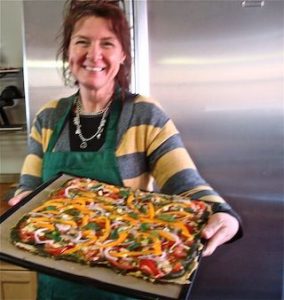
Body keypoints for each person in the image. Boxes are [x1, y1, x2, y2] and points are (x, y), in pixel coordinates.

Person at [8, 0, 242, 299]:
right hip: (57, 282)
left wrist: (224, 212)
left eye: (107, 43)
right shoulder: (48, 117)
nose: (94, 54)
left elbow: (185, 183)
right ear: (69, 52)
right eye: (82, 42)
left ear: (122, 55)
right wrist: (22, 200)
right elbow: (29, 187)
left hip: (127, 273)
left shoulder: (144, 114)